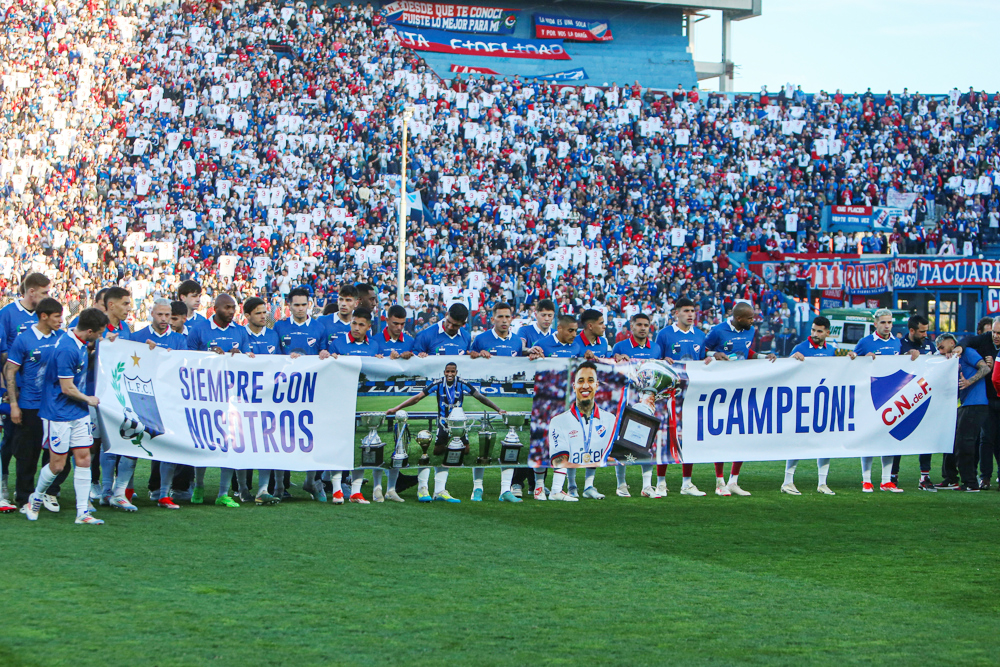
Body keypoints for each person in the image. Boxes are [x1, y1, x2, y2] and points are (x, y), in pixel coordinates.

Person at [25, 308, 109, 525]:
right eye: (99, 333)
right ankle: (35, 498)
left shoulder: (79, 342)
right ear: (89, 331)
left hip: (77, 412)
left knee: (84, 458)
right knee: (58, 465)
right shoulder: (67, 349)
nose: (99, 337)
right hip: (59, 413)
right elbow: (66, 387)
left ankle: (82, 513)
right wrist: (88, 399)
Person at [386, 362, 505, 503]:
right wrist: (396, 408)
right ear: (444, 372)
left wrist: (498, 409)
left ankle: (452, 450)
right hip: (443, 422)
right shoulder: (437, 384)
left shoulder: (462, 383)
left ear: (456, 372)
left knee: (466, 451)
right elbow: (417, 398)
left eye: (452, 371)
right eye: (447, 371)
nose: (450, 374)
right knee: (436, 452)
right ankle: (447, 451)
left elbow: (480, 397)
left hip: (458, 423)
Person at [186, 294, 253, 507]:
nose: (231, 311)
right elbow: (185, 358)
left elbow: (250, 360)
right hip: (205, 396)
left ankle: (223, 493)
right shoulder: (199, 329)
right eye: (227, 307)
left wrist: (240, 355)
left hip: (231, 397)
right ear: (215, 309)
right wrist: (208, 356)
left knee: (229, 443)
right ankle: (198, 485)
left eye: (233, 308)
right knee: (203, 442)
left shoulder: (240, 331)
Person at [704, 301, 777, 497]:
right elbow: (701, 350)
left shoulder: (750, 331)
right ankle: (719, 481)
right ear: (738, 318)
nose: (754, 321)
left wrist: (763, 357)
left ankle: (733, 481)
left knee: (742, 434)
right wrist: (714, 354)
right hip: (719, 389)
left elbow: (746, 353)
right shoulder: (718, 331)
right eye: (750, 318)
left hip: (742, 388)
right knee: (720, 435)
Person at [4, 298, 66, 514]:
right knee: (27, 454)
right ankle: (24, 497)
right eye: (57, 316)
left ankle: (47, 493)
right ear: (44, 316)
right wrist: (14, 404)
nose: (61, 320)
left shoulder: (62, 337)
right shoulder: (24, 339)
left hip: (56, 406)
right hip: (30, 406)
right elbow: (10, 370)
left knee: (56, 453)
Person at [849, 308, 917, 492]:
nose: (887, 326)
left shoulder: (897, 342)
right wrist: (861, 358)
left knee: (889, 439)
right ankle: (866, 480)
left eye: (890, 322)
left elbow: (903, 364)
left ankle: (886, 481)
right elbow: (851, 362)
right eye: (883, 322)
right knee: (869, 439)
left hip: (892, 397)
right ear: (875, 324)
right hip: (871, 396)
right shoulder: (865, 342)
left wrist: (913, 355)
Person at [0, 272, 51, 505]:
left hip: (37, 393)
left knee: (30, 441)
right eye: (44, 293)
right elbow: (3, 355)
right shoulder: (7, 314)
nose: (46, 297)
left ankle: (29, 491)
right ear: (31, 292)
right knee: (12, 438)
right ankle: (4, 483)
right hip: (15, 390)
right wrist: (9, 388)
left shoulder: (44, 317)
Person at [133, 299, 189, 509]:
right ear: (151, 314)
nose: (164, 319)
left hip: (168, 400)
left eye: (167, 315)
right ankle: (125, 490)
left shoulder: (179, 340)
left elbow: (182, 368)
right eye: (160, 315)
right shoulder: (137, 337)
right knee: (133, 444)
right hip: (141, 398)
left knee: (168, 446)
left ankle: (164, 494)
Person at [469, 302, 523, 502]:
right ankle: (477, 488)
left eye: (507, 317)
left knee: (511, 441)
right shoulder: (481, 339)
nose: (504, 321)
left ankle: (505, 490)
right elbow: (469, 360)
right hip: (483, 399)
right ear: (492, 319)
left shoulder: (517, 342)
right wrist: (474, 354)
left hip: (508, 400)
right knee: (481, 442)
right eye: (500, 317)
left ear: (512, 319)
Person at [329, 307, 383, 503]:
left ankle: (356, 491)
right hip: (340, 401)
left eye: (361, 325)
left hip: (364, 403)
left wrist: (382, 361)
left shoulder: (375, 346)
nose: (356, 328)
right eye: (354, 323)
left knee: (363, 444)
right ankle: (336, 490)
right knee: (339, 444)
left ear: (369, 327)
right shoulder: (338, 343)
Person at [654, 297, 707, 497]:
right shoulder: (665, 334)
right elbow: (656, 359)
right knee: (666, 437)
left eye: (693, 310)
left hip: (692, 393)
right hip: (668, 394)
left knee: (689, 438)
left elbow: (702, 361)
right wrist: (662, 360)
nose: (690, 314)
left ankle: (687, 483)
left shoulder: (700, 335)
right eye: (686, 311)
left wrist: (709, 359)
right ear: (676, 313)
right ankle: (661, 483)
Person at [547, 361, 617, 502]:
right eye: (581, 381)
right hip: (568, 454)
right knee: (571, 446)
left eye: (591, 381)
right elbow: (559, 458)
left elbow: (610, 452)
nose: (585, 386)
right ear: (574, 386)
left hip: (595, 456)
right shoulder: (559, 421)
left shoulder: (609, 419)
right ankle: (566, 488)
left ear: (597, 385)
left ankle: (589, 487)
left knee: (594, 443)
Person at [783, 316, 838, 495]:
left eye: (819, 331)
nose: (815, 334)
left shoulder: (832, 351)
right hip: (803, 402)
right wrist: (791, 359)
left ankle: (822, 482)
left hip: (823, 402)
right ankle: (787, 481)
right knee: (797, 441)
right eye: (813, 330)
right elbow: (786, 370)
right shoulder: (800, 348)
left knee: (825, 442)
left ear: (827, 333)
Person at [611, 312, 663, 499]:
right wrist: (616, 358)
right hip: (626, 401)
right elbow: (611, 370)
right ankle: (621, 484)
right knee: (623, 442)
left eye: (646, 325)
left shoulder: (656, 348)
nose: (642, 328)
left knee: (647, 443)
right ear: (631, 327)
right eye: (639, 324)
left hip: (648, 404)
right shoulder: (620, 346)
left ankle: (647, 485)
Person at [98, 287, 137, 511]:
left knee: (128, 440)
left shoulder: (126, 328)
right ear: (111, 305)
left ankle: (120, 492)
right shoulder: (98, 326)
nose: (128, 308)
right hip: (100, 394)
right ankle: (106, 491)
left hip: (121, 393)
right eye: (124, 304)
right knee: (106, 444)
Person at [241, 296, 283, 505]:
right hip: (244, 398)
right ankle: (241, 489)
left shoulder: (273, 336)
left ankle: (263, 489)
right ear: (247, 316)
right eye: (258, 312)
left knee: (267, 442)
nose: (263, 316)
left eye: (264, 312)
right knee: (243, 443)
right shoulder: (240, 335)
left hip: (269, 399)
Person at [937, 334, 990, 491]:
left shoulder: (968, 353)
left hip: (976, 404)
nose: (940, 351)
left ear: (952, 343)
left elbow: (985, 368)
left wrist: (969, 381)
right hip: (966, 405)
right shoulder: (953, 359)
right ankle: (953, 478)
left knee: (964, 444)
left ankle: (970, 483)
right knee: (956, 443)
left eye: (942, 347)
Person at [894, 314, 939, 490]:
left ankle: (924, 477)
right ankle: (892, 475)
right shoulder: (899, 345)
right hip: (903, 398)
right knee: (897, 435)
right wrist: (905, 355)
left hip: (924, 397)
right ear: (911, 330)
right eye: (922, 331)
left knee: (926, 436)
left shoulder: (929, 344)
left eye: (926, 331)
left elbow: (937, 363)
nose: (925, 335)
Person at [962, 317, 1000, 490]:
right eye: (994, 332)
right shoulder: (985, 339)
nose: (996, 336)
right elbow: (968, 339)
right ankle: (985, 477)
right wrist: (959, 347)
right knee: (986, 438)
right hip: (988, 398)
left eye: (999, 333)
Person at [275, 288, 331, 358]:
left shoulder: (319, 327)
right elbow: (275, 354)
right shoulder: (279, 326)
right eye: (297, 305)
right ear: (289, 306)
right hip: (287, 368)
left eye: (303, 305)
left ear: (308, 305)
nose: (301, 308)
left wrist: (323, 353)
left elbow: (322, 351)